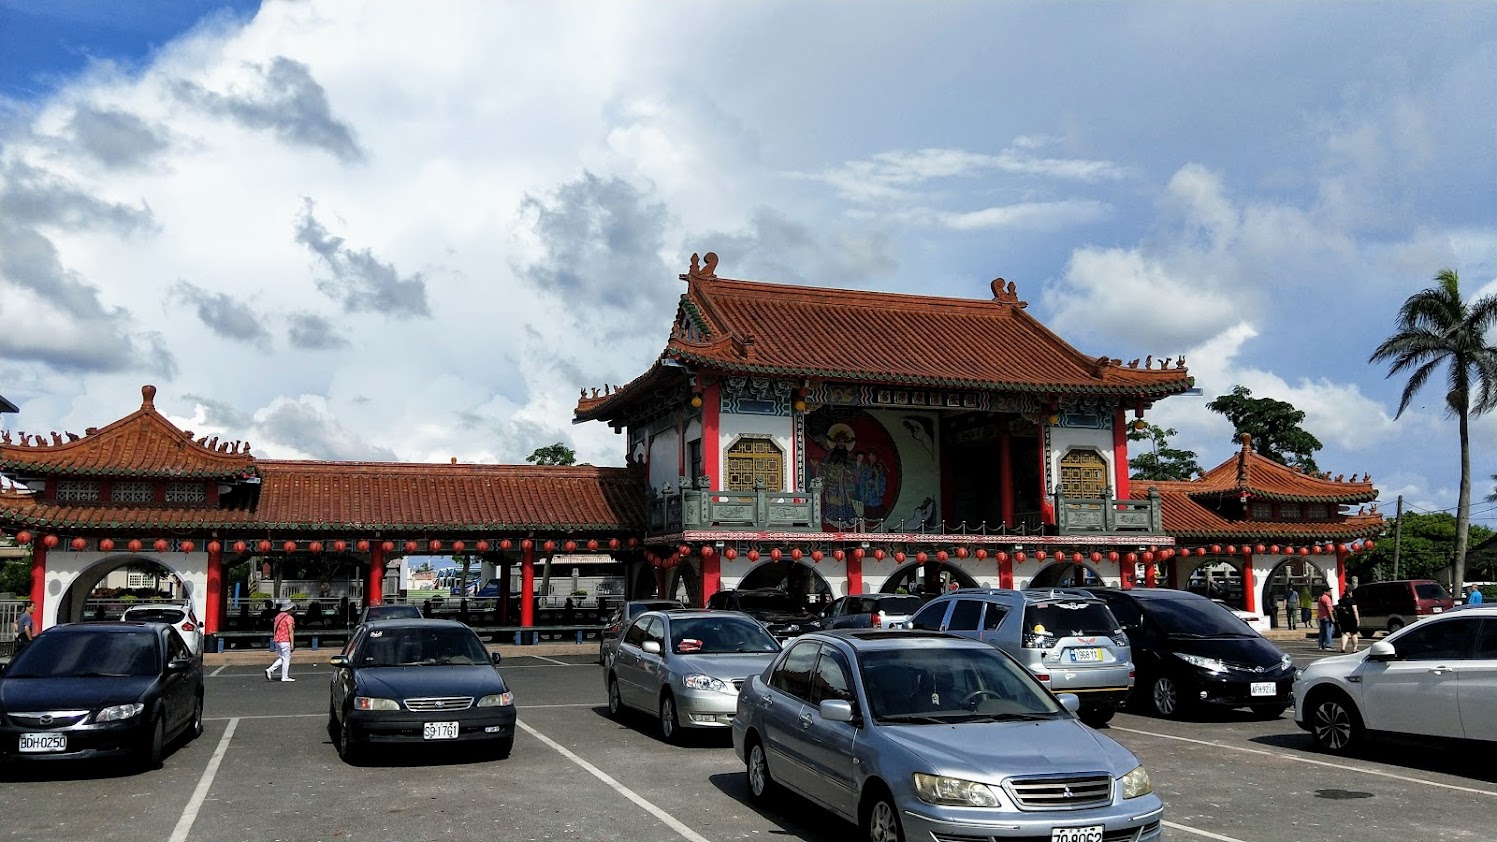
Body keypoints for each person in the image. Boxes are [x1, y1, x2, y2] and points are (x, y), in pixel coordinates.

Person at [265, 598, 297, 682]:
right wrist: (292, 644)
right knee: (286, 658)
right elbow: (290, 631)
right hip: (285, 640)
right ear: (290, 608)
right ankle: (284, 676)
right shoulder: (289, 618)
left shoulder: (278, 616)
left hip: (277, 639)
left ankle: (270, 669)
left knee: (282, 657)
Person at [1336, 588, 1361, 653]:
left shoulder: (1340, 601)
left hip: (1343, 619)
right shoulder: (1352, 601)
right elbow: (1355, 611)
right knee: (1353, 633)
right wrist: (1357, 620)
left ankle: (1343, 647)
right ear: (1350, 593)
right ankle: (1355, 648)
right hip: (1351, 618)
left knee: (1345, 633)